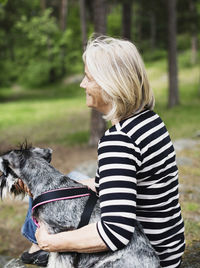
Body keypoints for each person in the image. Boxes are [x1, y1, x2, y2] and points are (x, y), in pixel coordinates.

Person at [20, 36, 185, 268]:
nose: (82, 85)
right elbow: (122, 185)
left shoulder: (119, 141)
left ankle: (39, 248)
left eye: (88, 77)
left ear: (110, 84)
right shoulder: (150, 120)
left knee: (57, 195)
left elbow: (115, 231)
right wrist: (53, 187)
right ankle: (36, 248)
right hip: (170, 247)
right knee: (64, 182)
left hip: (144, 256)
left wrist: (53, 242)